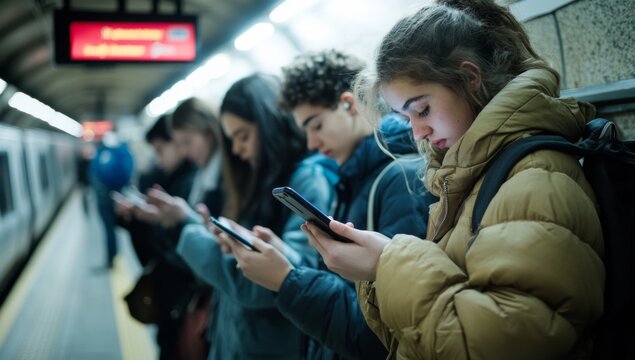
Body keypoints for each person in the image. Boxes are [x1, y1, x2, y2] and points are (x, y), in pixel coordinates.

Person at [302, 1, 604, 359]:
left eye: (422, 109)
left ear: (469, 78)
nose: (417, 130)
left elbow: (507, 343)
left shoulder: (536, 179)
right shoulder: (471, 175)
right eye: (405, 116)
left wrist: (386, 263)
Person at [229, 49, 436, 359]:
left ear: (348, 104)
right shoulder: (351, 179)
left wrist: (288, 282)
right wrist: (286, 258)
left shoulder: (400, 180)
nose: (311, 143)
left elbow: (385, 329)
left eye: (316, 125)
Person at [175, 73, 335, 359]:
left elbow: (291, 278)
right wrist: (226, 239)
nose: (236, 149)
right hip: (238, 341)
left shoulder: (307, 182)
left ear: (270, 125)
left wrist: (191, 234)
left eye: (243, 136)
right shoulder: (254, 177)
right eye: (232, 139)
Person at [113, 115, 201, 360]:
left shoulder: (190, 183)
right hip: (173, 299)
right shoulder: (172, 179)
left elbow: (175, 252)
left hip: (182, 299)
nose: (158, 160)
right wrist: (136, 220)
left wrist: (152, 221)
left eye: (161, 150)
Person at [91, 130, 133, 268]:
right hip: (120, 196)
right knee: (119, 227)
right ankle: (117, 254)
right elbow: (129, 173)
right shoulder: (123, 152)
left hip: (104, 198)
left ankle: (111, 258)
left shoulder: (100, 153)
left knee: (108, 229)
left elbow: (93, 174)